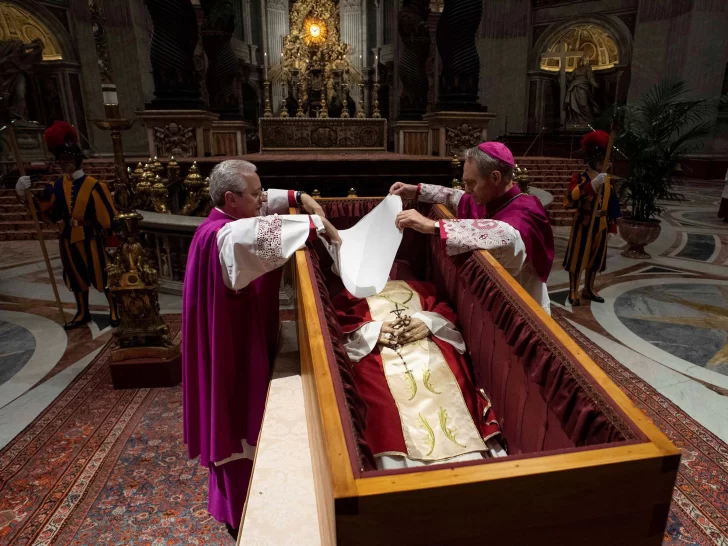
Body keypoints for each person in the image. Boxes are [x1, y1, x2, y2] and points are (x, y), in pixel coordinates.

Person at [182, 159, 340, 541]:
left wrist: (300, 196)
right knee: (235, 418)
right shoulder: (228, 237)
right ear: (231, 198)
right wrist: (319, 225)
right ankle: (241, 512)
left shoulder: (224, 219)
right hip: (231, 350)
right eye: (255, 195)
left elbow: (265, 206)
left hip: (232, 335)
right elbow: (272, 235)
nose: (263, 200)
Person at [334, 272, 505, 470]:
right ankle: (399, 469)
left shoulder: (420, 287)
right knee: (382, 402)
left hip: (429, 350)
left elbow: (444, 311)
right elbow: (341, 328)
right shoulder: (347, 296)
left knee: (446, 386)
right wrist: (374, 331)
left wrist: (427, 322)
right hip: (379, 354)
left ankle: (469, 462)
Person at [390, 142, 554, 314]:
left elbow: (507, 236)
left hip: (523, 310)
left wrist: (433, 226)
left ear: (495, 178)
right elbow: (456, 197)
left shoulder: (527, 210)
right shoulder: (491, 198)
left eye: (471, 183)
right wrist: (416, 191)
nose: (467, 190)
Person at [15, 121, 119, 330]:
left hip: (92, 237)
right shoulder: (55, 187)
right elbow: (45, 209)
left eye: (69, 159)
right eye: (62, 160)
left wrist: (112, 242)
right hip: (68, 238)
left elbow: (108, 217)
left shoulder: (95, 186)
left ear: (78, 159)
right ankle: (82, 311)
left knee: (104, 274)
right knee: (74, 275)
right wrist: (23, 193)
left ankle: (115, 309)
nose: (65, 163)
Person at [562, 130, 621, 306]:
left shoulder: (608, 180)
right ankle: (573, 290)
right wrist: (592, 185)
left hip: (601, 224)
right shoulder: (579, 178)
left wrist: (612, 226)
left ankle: (588, 288)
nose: (604, 163)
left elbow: (612, 204)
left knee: (596, 259)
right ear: (591, 161)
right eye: (600, 160)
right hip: (584, 223)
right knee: (577, 258)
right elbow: (571, 198)